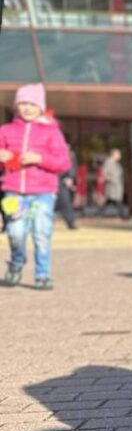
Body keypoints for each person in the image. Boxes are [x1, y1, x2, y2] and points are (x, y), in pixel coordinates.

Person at [0, 83, 69, 290]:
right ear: (16, 106)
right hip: (12, 190)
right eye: (22, 103)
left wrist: (40, 158)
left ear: (40, 107)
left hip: (43, 192)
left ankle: (42, 274)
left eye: (32, 104)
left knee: (41, 232)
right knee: (15, 232)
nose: (27, 108)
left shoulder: (52, 132)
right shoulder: (5, 131)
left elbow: (63, 162)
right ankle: (17, 262)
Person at [56, 141, 78, 230]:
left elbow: (72, 168)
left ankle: (70, 222)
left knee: (65, 201)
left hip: (61, 180)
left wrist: (70, 177)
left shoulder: (70, 155)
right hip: (49, 179)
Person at [101, 148, 127, 219]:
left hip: (117, 186)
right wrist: (112, 180)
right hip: (112, 186)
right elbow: (105, 174)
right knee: (117, 201)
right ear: (113, 155)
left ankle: (99, 213)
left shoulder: (117, 164)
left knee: (111, 201)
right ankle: (123, 216)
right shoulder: (108, 163)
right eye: (118, 154)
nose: (119, 156)